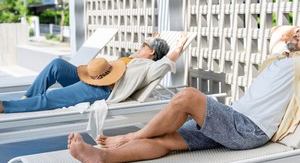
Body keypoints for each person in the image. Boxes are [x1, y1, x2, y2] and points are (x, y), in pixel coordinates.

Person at [67, 24, 300, 163]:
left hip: (249, 129)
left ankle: (130, 137)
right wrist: (299, 33)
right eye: (299, 29)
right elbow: (277, 31)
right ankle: (103, 157)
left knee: (189, 96)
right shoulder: (279, 57)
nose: (298, 32)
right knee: (165, 140)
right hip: (232, 121)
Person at [0, 33, 189, 114]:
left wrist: (179, 46)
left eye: (144, 45)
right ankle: (27, 97)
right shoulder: (134, 59)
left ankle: (7, 106)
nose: (140, 46)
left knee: (53, 97)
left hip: (101, 89)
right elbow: (139, 55)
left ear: (152, 53)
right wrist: (152, 39)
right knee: (56, 65)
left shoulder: (149, 67)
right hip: (92, 76)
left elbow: (165, 63)